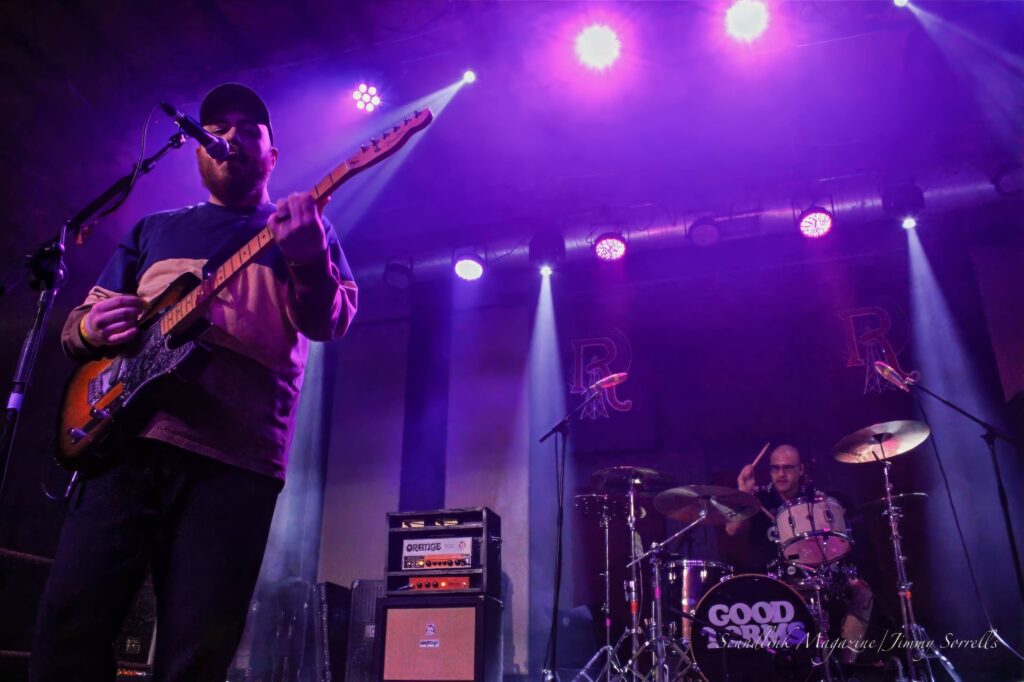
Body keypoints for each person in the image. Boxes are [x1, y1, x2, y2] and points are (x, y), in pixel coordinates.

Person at [30, 83, 358, 681]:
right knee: (68, 629)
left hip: (234, 460)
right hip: (121, 444)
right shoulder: (153, 229)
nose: (230, 136)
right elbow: (77, 329)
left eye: (248, 130)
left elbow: (329, 321)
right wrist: (91, 326)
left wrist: (310, 258)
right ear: (198, 149)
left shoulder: (304, 230)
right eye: (218, 128)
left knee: (195, 655)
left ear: (272, 156)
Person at [724, 444, 874, 665]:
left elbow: (834, 543)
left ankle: (846, 664)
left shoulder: (814, 499)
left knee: (861, 591)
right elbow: (732, 530)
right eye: (775, 468)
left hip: (812, 573)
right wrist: (743, 492)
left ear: (801, 469)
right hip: (771, 577)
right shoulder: (759, 498)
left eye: (787, 468)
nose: (781, 474)